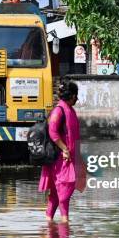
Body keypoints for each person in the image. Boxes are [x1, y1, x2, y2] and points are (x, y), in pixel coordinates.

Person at [38, 80, 86, 223]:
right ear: (71, 96)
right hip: (60, 158)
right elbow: (53, 132)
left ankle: (49, 224)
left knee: (56, 193)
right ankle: (65, 223)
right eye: (76, 95)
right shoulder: (59, 110)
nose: (77, 98)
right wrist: (64, 149)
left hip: (70, 157)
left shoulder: (69, 110)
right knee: (64, 189)